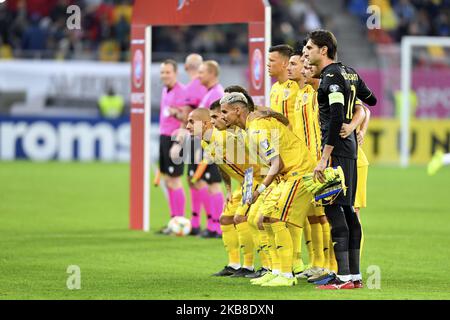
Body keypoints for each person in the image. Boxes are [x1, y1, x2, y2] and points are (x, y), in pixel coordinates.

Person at [304, 29, 377, 289]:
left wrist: (325, 156)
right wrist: (354, 118)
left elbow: (335, 116)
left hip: (336, 152)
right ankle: (353, 277)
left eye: (310, 48)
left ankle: (343, 277)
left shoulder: (331, 76)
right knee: (347, 210)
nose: (306, 53)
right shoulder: (350, 72)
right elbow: (371, 99)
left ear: (324, 50)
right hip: (350, 151)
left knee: (334, 209)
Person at [221, 92, 316, 287]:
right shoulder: (252, 127)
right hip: (285, 176)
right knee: (262, 220)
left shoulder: (256, 129)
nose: (222, 116)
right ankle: (276, 270)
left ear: (238, 110)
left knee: (276, 219)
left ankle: (287, 275)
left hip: (298, 171)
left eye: (224, 112)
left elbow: (277, 163)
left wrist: (260, 190)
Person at [187, 102, 259, 277]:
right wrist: (228, 189)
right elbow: (222, 166)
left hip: (256, 179)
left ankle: (248, 267)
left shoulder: (225, 136)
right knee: (225, 219)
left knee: (240, 218)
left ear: (204, 124)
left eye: (191, 122)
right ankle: (234, 264)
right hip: (243, 183)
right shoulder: (206, 143)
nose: (187, 126)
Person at [287, 46, 332, 281]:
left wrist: (360, 127)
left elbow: (361, 110)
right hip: (305, 163)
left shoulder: (320, 92)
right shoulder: (301, 94)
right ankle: (317, 264)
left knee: (327, 215)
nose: (304, 70)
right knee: (312, 216)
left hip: (321, 162)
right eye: (301, 65)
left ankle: (330, 266)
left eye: (307, 66)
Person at [187, 60, 225, 238]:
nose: (198, 75)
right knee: (205, 183)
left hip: (213, 145)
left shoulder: (217, 94)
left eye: (201, 72)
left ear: (211, 73)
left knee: (214, 184)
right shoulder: (209, 93)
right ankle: (211, 224)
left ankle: (217, 226)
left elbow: (219, 121)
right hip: (206, 144)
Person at [157, 59, 187, 233]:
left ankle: (180, 221)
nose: (165, 75)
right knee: (168, 180)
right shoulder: (165, 90)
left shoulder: (182, 92)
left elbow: (185, 117)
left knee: (175, 180)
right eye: (162, 72)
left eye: (168, 72)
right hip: (164, 136)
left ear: (175, 73)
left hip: (175, 138)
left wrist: (179, 142)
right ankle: (173, 221)